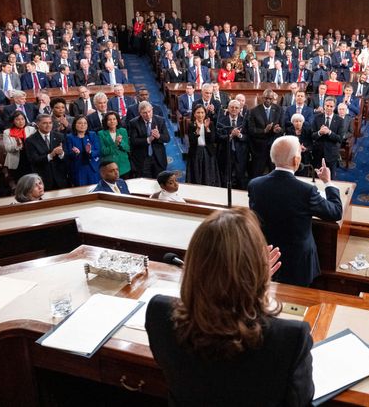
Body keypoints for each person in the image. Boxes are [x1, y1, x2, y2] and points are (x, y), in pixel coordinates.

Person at [145, 208, 314, 406]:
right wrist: (259, 286)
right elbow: (301, 402)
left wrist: (257, 281)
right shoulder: (291, 338)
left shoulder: (159, 313)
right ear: (255, 271)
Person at [248, 136, 343, 286]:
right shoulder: (306, 191)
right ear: (296, 160)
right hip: (298, 264)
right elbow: (335, 212)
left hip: (267, 258)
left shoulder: (254, 185)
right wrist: (327, 182)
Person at [25, 114, 69, 191]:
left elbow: (67, 158)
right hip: (43, 179)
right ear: (38, 124)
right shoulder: (30, 140)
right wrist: (51, 155)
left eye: (50, 123)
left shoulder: (60, 136)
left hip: (61, 177)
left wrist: (61, 154)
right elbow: (33, 160)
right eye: (45, 123)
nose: (48, 125)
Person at [128, 101, 171, 179]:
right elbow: (133, 141)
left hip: (158, 157)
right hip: (142, 159)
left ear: (152, 109)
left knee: (160, 181)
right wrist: (148, 139)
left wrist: (158, 136)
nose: (148, 115)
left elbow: (167, 138)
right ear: (140, 113)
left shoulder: (160, 120)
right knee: (146, 182)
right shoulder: (134, 123)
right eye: (144, 113)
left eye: (149, 111)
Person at [187, 104, 220, 186]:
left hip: (208, 152)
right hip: (196, 152)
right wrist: (198, 129)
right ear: (194, 114)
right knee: (197, 175)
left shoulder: (210, 124)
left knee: (209, 175)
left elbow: (212, 140)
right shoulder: (191, 125)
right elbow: (192, 141)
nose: (200, 115)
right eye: (198, 112)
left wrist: (207, 128)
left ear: (205, 113)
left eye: (202, 112)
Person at [64, 115, 101, 187]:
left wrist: (90, 152)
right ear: (75, 124)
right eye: (80, 123)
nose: (83, 125)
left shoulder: (92, 135)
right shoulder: (69, 137)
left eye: (85, 123)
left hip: (92, 168)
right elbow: (67, 154)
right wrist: (75, 153)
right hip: (78, 169)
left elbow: (98, 150)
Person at [311, 98, 343, 177]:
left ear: (334, 107)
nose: (329, 108)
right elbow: (312, 136)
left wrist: (329, 132)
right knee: (317, 178)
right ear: (324, 106)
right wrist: (320, 132)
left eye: (331, 106)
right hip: (318, 154)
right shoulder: (317, 118)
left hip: (331, 155)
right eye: (327, 105)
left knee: (330, 178)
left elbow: (340, 139)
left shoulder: (339, 120)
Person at [3, 110, 36, 184]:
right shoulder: (7, 132)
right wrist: (17, 145)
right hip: (17, 160)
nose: (21, 121)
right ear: (13, 121)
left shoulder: (31, 129)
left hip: (30, 159)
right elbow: (8, 148)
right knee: (21, 183)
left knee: (32, 181)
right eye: (17, 119)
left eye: (22, 119)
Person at [98, 111, 132, 179]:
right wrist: (115, 144)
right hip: (109, 168)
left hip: (124, 167)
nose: (112, 121)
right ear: (106, 122)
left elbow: (128, 148)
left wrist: (121, 142)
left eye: (114, 119)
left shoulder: (123, 131)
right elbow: (103, 151)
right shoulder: (101, 133)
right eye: (109, 119)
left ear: (117, 121)